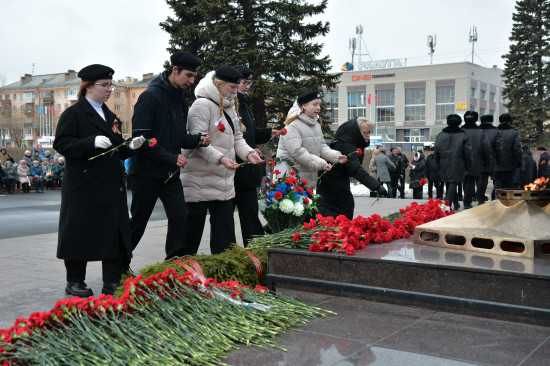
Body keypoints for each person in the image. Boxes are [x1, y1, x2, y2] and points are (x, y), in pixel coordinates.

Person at [53, 64, 145, 297]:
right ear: (88, 87)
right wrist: (89, 142)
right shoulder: (73, 114)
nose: (109, 90)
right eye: (104, 85)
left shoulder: (111, 115)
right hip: (83, 186)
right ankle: (75, 281)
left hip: (110, 186)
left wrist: (129, 147)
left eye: (110, 85)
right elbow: (62, 144)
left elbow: (115, 150)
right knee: (78, 232)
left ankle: (112, 281)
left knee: (112, 233)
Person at [130, 51, 209, 263]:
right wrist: (169, 157)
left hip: (169, 173)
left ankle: (174, 262)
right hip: (145, 173)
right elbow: (140, 139)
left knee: (179, 216)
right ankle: (118, 266)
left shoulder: (181, 101)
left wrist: (197, 140)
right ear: (174, 70)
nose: (192, 82)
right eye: (189, 75)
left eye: (194, 77)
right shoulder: (150, 97)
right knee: (138, 221)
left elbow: (177, 137)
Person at [182, 66, 263, 254]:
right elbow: (198, 141)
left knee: (225, 237)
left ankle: (224, 274)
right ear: (218, 84)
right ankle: (184, 272)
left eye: (237, 88)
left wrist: (248, 154)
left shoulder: (229, 105)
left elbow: (237, 138)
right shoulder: (202, 104)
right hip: (198, 179)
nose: (236, 92)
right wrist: (222, 159)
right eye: (232, 87)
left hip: (223, 179)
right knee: (191, 235)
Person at [232, 65, 279, 245]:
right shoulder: (232, 105)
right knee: (228, 217)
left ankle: (255, 249)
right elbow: (236, 138)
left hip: (248, 169)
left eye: (249, 83)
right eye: (244, 82)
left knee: (250, 212)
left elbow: (248, 135)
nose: (247, 86)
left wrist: (268, 133)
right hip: (236, 167)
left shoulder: (244, 106)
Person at [317, 117, 387, 219]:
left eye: (369, 133)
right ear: (357, 133)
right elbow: (356, 170)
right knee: (338, 211)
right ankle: (333, 233)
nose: (368, 136)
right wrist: (376, 186)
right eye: (365, 133)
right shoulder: (347, 145)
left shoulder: (352, 143)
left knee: (340, 210)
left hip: (337, 181)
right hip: (331, 183)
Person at [276, 90, 346, 188]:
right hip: (289, 180)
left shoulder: (316, 124)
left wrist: (336, 156)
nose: (319, 108)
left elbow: (321, 146)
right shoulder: (293, 125)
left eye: (319, 104)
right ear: (304, 106)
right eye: (315, 104)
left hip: (306, 179)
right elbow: (297, 151)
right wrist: (321, 164)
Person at [434, 114, 473, 211]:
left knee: (451, 182)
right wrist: (469, 164)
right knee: (453, 182)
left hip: (444, 162)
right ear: (460, 123)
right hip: (458, 162)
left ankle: (456, 204)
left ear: (447, 122)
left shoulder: (440, 135)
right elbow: (468, 152)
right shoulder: (463, 135)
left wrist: (438, 163)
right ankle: (445, 207)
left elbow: (436, 151)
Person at [461, 111, 489, 209]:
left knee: (467, 181)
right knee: (476, 180)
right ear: (476, 119)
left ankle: (467, 201)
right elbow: (486, 147)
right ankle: (479, 199)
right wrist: (487, 160)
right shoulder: (481, 132)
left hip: (463, 161)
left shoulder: (460, 131)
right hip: (478, 160)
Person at [493, 114, 522, 191]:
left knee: (497, 182)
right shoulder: (514, 132)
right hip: (510, 163)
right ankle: (509, 201)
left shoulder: (495, 131)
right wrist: (519, 161)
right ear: (509, 122)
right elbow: (517, 149)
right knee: (509, 182)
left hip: (496, 163)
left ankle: (496, 199)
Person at [478, 115, 501, 204]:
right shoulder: (495, 131)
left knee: (482, 180)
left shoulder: (477, 130)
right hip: (493, 159)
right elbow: (498, 146)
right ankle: (493, 197)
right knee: (496, 180)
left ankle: (480, 198)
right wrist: (499, 159)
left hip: (479, 159)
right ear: (491, 121)